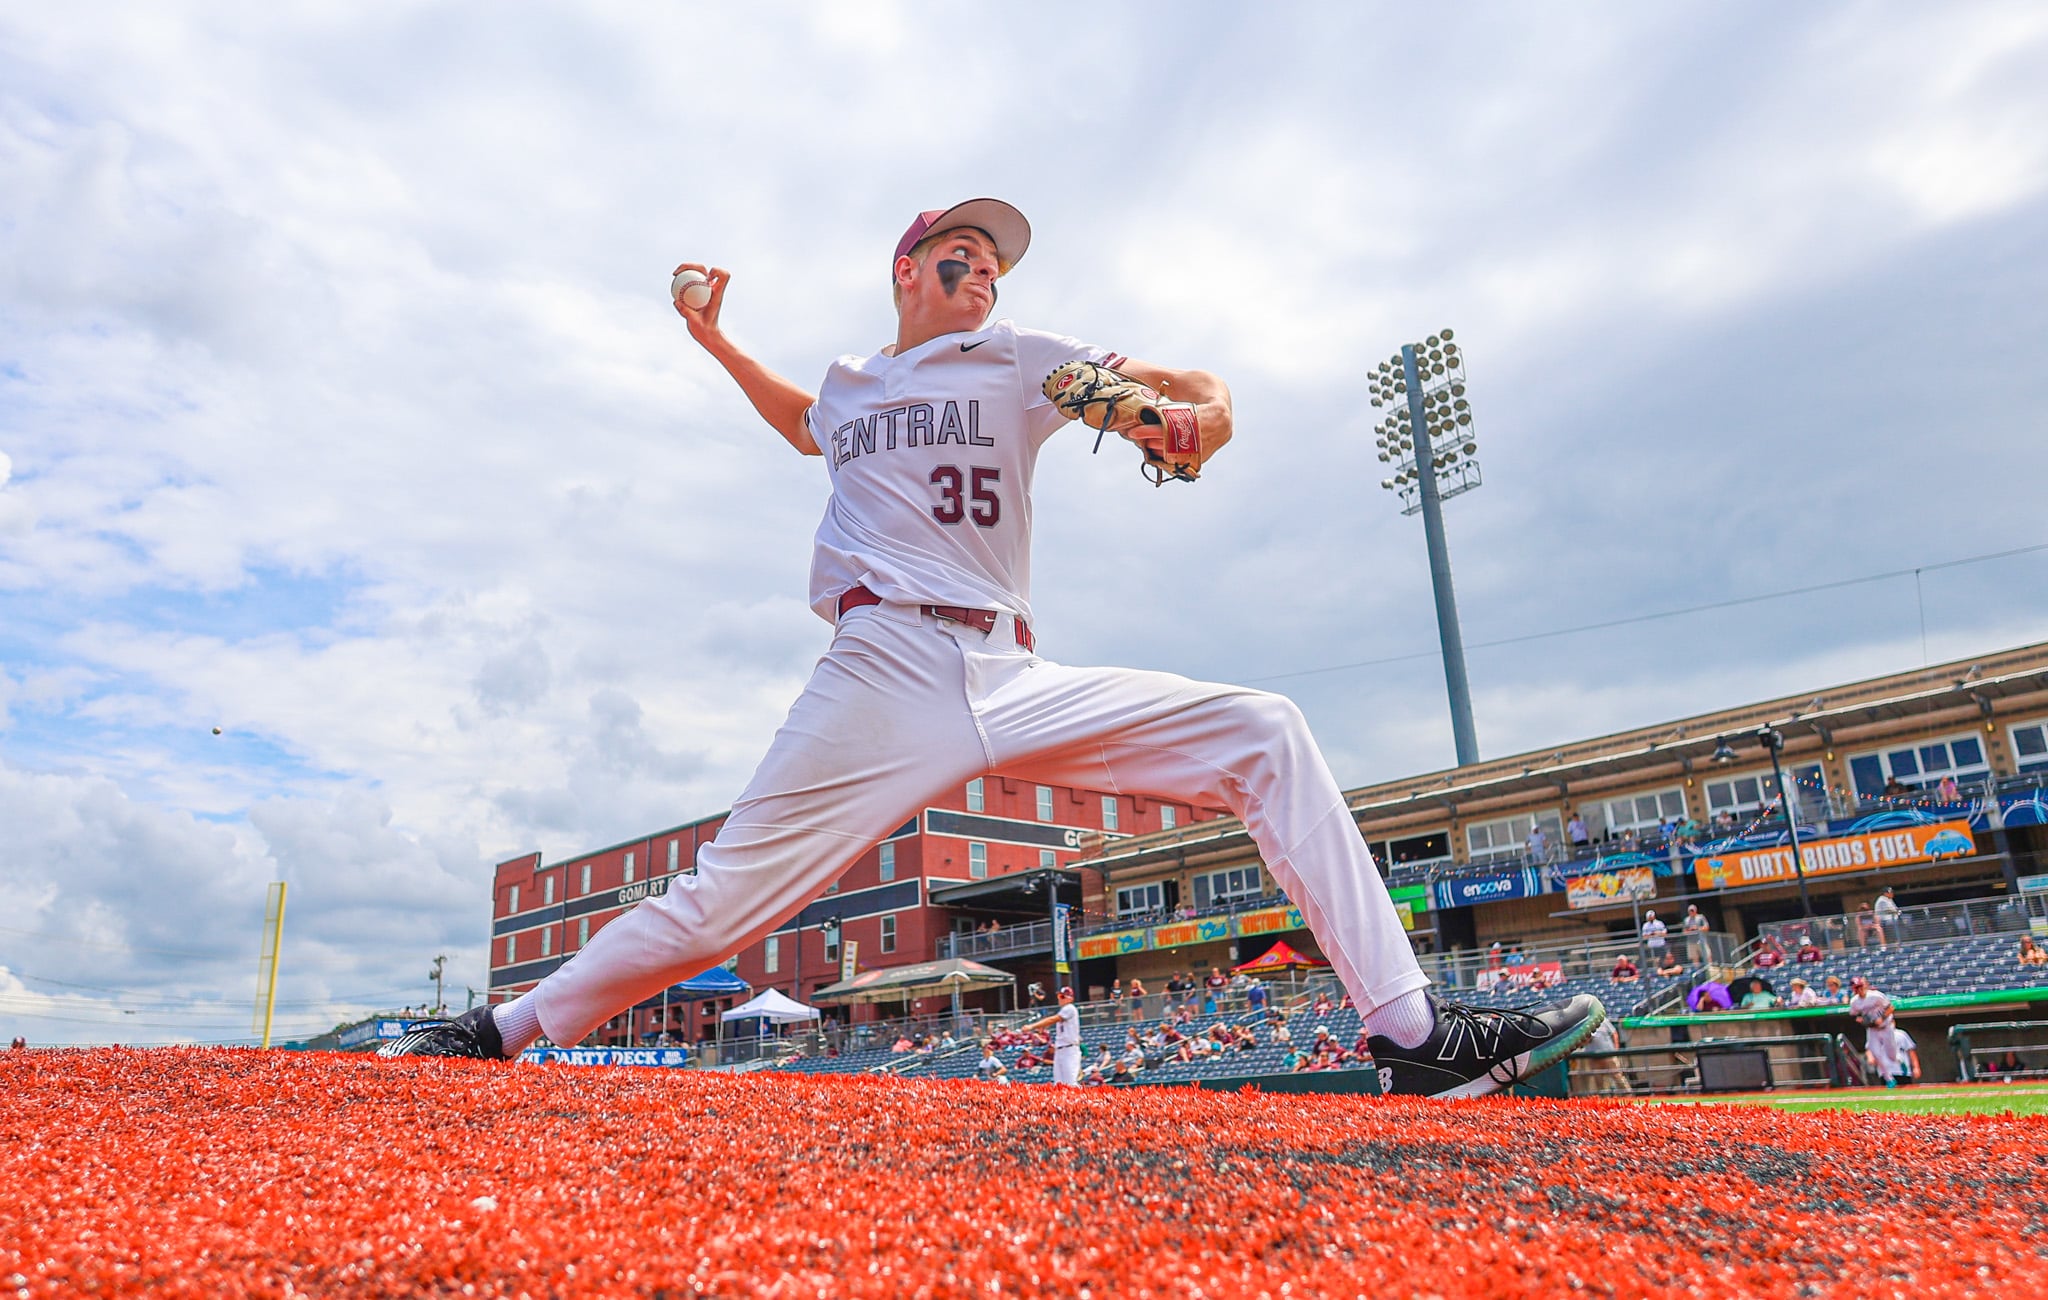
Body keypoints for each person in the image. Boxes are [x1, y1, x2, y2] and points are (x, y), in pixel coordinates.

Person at [376, 197, 1600, 1096]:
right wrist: (711, 344)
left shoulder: (1020, 361)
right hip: (877, 669)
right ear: (908, 266)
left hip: (1012, 672)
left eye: (996, 265)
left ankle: (1407, 1032)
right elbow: (801, 423)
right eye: (963, 255)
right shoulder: (853, 381)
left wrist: (1201, 408)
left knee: (1263, 729)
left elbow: (1178, 390)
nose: (984, 274)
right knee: (714, 908)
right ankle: (499, 1031)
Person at [1018, 985, 1084, 1085]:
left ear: (1071, 998)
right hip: (1060, 1050)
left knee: (1070, 1083)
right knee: (1059, 1084)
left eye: (1063, 997)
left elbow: (1053, 1019)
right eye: (1059, 996)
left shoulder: (1070, 1008)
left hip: (1069, 1050)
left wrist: (1032, 1026)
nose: (1060, 999)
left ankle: (1084, 1100)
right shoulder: (1063, 1010)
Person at [1847, 976, 1899, 1087]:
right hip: (1872, 1029)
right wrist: (1861, 1020)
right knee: (1875, 1053)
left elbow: (1891, 1007)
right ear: (1853, 989)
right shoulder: (1854, 1002)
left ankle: (1896, 1058)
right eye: (1856, 987)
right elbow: (1854, 1015)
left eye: (1860, 986)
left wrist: (1882, 1018)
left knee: (1892, 1056)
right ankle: (1889, 1079)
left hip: (1886, 1027)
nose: (1859, 989)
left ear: (1864, 985)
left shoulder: (1875, 995)